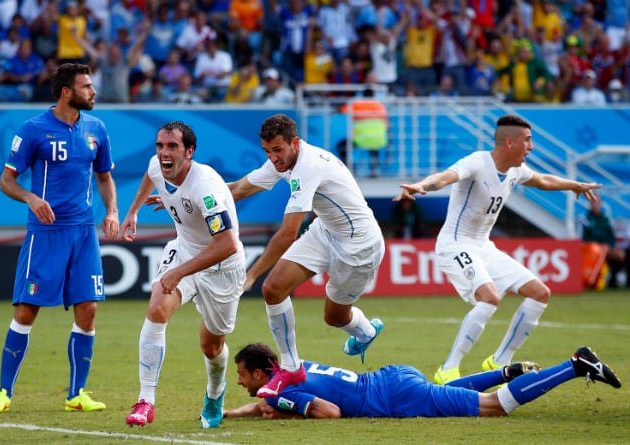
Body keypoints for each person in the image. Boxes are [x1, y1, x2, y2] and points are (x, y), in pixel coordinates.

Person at [393, 114, 602, 385]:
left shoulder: (516, 170)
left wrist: (574, 185)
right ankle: (448, 369)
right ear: (509, 141)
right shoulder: (477, 162)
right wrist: (421, 186)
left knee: (540, 293)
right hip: (455, 245)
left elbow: (543, 181)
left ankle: (499, 360)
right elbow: (445, 177)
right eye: (528, 141)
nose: (532, 147)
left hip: (484, 247)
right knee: (489, 297)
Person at [0, 62, 119, 413]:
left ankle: (77, 394)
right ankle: (3, 392)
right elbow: (6, 180)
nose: (93, 91)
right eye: (86, 86)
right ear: (66, 92)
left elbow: (104, 177)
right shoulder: (33, 130)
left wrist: (113, 211)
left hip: (83, 233)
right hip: (46, 235)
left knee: (88, 309)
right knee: (27, 310)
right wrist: (31, 198)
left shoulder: (97, 129)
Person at [227, 114, 385, 399]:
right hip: (326, 231)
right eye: (267, 151)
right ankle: (290, 367)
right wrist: (186, 198)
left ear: (294, 143)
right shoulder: (283, 160)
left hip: (359, 246)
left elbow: (288, 233)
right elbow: (240, 188)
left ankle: (365, 332)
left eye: (278, 150)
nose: (273, 158)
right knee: (273, 289)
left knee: (334, 317)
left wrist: (250, 274)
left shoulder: (308, 166)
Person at [120, 121, 246, 429]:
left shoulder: (206, 188)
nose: (164, 153)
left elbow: (227, 244)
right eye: (160, 146)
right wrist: (133, 211)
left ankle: (215, 393)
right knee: (157, 307)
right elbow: (149, 179)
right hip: (186, 251)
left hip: (222, 268)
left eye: (172, 147)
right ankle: (145, 400)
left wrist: (179, 272)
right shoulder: (157, 165)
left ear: (189, 152)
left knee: (211, 346)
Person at [224, 342, 621, 420]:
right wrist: (233, 411)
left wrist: (287, 411)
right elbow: (267, 402)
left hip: (397, 397)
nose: (239, 380)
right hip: (395, 377)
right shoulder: (292, 367)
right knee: (445, 395)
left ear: (261, 374)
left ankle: (575, 365)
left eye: (242, 374)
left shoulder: (280, 393)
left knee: (496, 408)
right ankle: (507, 372)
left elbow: (329, 412)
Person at [580, 194, 627, 289]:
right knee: (599, 250)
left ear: (601, 203)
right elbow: (584, 237)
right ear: (590, 203)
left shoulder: (606, 219)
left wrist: (610, 246)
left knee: (620, 254)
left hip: (606, 247)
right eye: (593, 202)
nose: (595, 204)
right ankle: (592, 281)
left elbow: (611, 237)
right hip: (591, 247)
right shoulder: (585, 218)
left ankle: (613, 280)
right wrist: (600, 245)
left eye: (597, 201)